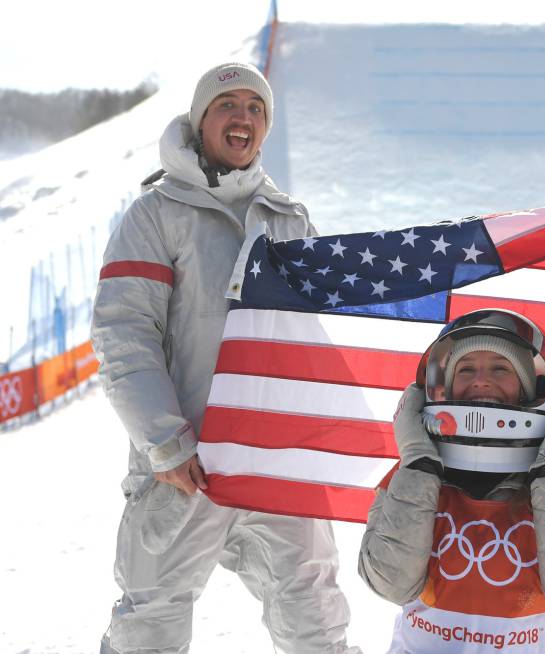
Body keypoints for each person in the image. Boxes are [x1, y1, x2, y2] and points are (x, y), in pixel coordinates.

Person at [93, 62, 359, 654]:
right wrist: (165, 442)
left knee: (314, 612)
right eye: (227, 105)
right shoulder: (156, 215)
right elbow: (123, 333)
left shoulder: (288, 217)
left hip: (274, 459)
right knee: (152, 621)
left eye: (256, 109)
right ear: (200, 120)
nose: (243, 118)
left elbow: (308, 339)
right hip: (186, 462)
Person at [358, 308, 545, 653]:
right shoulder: (411, 476)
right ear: (440, 386)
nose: (481, 380)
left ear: (534, 387)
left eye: (500, 368)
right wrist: (419, 464)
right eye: (465, 369)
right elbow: (389, 582)